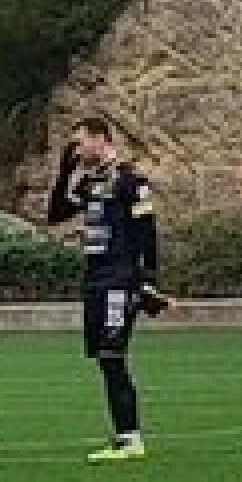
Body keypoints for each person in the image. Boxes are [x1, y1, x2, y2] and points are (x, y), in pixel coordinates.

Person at [45, 115, 166, 460]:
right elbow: (56, 214)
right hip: (95, 279)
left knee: (113, 355)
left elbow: (148, 230)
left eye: (81, 143)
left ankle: (131, 438)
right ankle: (124, 435)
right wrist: (64, 173)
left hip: (120, 279)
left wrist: (147, 280)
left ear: (101, 140)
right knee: (103, 357)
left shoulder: (129, 181)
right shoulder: (89, 183)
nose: (78, 151)